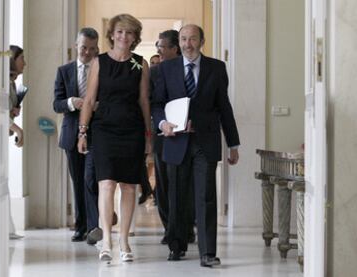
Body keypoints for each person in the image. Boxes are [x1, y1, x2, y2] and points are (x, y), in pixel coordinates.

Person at [151, 24, 240, 267]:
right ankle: (176, 246)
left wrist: (233, 143)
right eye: (183, 39)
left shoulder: (216, 68)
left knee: (206, 196)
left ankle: (207, 252)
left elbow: (224, 107)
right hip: (175, 141)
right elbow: (157, 104)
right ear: (178, 43)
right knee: (176, 196)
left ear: (202, 41)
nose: (188, 44)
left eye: (192, 39)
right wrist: (163, 123)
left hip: (205, 141)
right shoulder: (165, 69)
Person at [77, 14, 152, 262]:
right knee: (106, 184)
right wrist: (82, 131)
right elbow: (88, 100)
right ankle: (107, 240)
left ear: (135, 38)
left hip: (132, 129)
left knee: (129, 186)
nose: (123, 36)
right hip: (105, 129)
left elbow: (143, 101)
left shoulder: (141, 64)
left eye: (129, 32)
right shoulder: (99, 62)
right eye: (119, 31)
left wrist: (148, 135)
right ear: (112, 34)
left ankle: (124, 241)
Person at [53, 27, 103, 245]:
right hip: (72, 134)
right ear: (76, 46)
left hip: (97, 133)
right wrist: (72, 103)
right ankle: (81, 225)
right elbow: (56, 104)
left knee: (91, 180)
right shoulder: (64, 71)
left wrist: (98, 106)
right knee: (78, 181)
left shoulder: (102, 70)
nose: (87, 52)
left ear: (97, 49)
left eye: (92, 49)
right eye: (83, 47)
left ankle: (94, 226)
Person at [150, 30, 195, 245]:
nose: (158, 50)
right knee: (164, 186)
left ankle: (187, 227)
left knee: (189, 186)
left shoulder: (195, 69)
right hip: (163, 136)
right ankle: (170, 228)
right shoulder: (156, 71)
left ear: (174, 48)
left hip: (191, 137)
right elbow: (153, 102)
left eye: (162, 46)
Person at [8, 45, 26, 240]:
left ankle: (9, 228)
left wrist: (14, 109)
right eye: (22, 58)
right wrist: (17, 130)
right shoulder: (4, 82)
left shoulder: (13, 83)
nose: (25, 63)